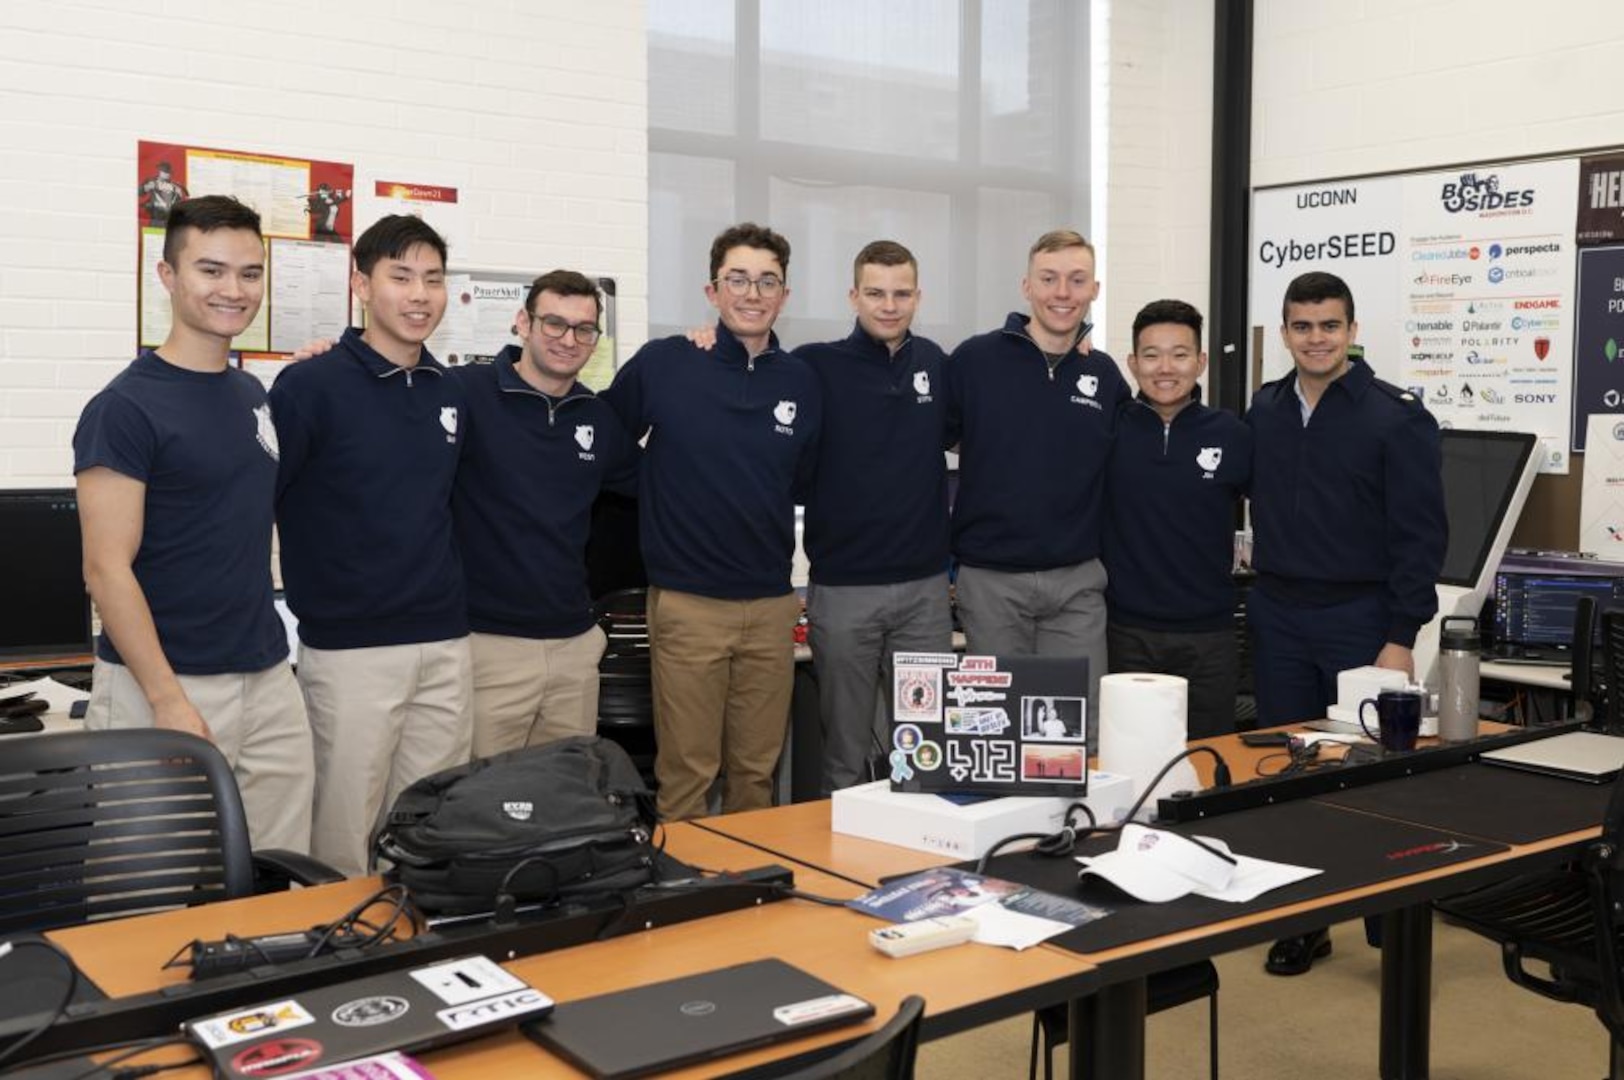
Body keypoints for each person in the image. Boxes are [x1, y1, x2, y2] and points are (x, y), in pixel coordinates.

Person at [73, 195, 313, 854]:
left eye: (250, 272)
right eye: (211, 270)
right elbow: (105, 568)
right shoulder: (123, 408)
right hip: (164, 683)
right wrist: (167, 699)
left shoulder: (250, 394)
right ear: (168, 275)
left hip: (266, 677)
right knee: (147, 891)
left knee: (277, 882)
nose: (233, 290)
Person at [1247, 270, 1446, 975]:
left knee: (1372, 772)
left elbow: (1421, 539)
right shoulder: (1264, 409)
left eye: (1329, 325)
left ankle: (1386, 913)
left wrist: (1401, 636)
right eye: (1302, 326)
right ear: (1286, 333)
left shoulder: (1396, 416)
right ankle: (1307, 919)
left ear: (1352, 330)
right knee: (1294, 769)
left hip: (1362, 618)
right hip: (1276, 613)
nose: (1316, 338)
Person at [270, 214, 471, 877]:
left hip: (444, 641)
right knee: (343, 831)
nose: (420, 295)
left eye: (433, 279)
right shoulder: (309, 385)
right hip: (351, 648)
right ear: (361, 284)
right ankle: (335, 969)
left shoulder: (449, 390)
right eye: (401, 277)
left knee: (430, 828)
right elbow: (259, 503)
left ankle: (416, 962)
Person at [602, 222, 821, 821]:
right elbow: (600, 441)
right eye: (738, 279)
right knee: (687, 775)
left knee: (756, 772)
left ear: (785, 295)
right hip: (689, 604)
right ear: (712, 290)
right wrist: (654, 485)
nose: (753, 293)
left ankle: (754, 894)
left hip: (772, 606)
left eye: (767, 280)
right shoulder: (667, 363)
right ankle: (688, 899)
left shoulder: (801, 381)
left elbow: (802, 478)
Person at [945, 229, 1128, 745]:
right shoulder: (974, 361)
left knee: (1080, 737)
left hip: (1076, 585)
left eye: (1076, 280)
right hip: (991, 583)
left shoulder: (1105, 374)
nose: (1062, 292)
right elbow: (924, 436)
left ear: (1094, 288)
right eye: (1049, 279)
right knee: (996, 733)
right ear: (1027, 286)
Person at [453, 270, 637, 758]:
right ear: (523, 323)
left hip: (573, 648)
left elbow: (661, 487)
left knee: (564, 802)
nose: (568, 339)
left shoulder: (597, 418)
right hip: (489, 645)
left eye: (583, 329)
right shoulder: (465, 393)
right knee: (481, 806)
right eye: (554, 323)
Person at [794, 240, 953, 794]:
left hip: (926, 593)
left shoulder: (934, 362)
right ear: (854, 295)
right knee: (846, 753)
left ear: (918, 296)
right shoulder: (815, 366)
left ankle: (929, 868)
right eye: (876, 292)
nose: (889, 305)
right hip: (844, 593)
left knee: (928, 747)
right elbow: (751, 370)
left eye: (901, 293)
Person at [1102, 300, 1252, 739]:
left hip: (1211, 635)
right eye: (1151, 355)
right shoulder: (1108, 430)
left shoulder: (1233, 434)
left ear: (1201, 361)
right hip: (1126, 633)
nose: (1165, 368)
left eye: (1180, 354)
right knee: (1129, 760)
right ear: (1132, 363)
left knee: (1210, 764)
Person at [138, 162, 187, 226]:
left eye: (169, 173)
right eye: (165, 172)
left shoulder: (175, 185)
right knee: (153, 235)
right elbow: (138, 192)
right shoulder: (151, 181)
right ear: (160, 172)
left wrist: (180, 194)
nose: (167, 174)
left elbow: (180, 203)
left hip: (170, 221)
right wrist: (146, 187)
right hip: (156, 219)